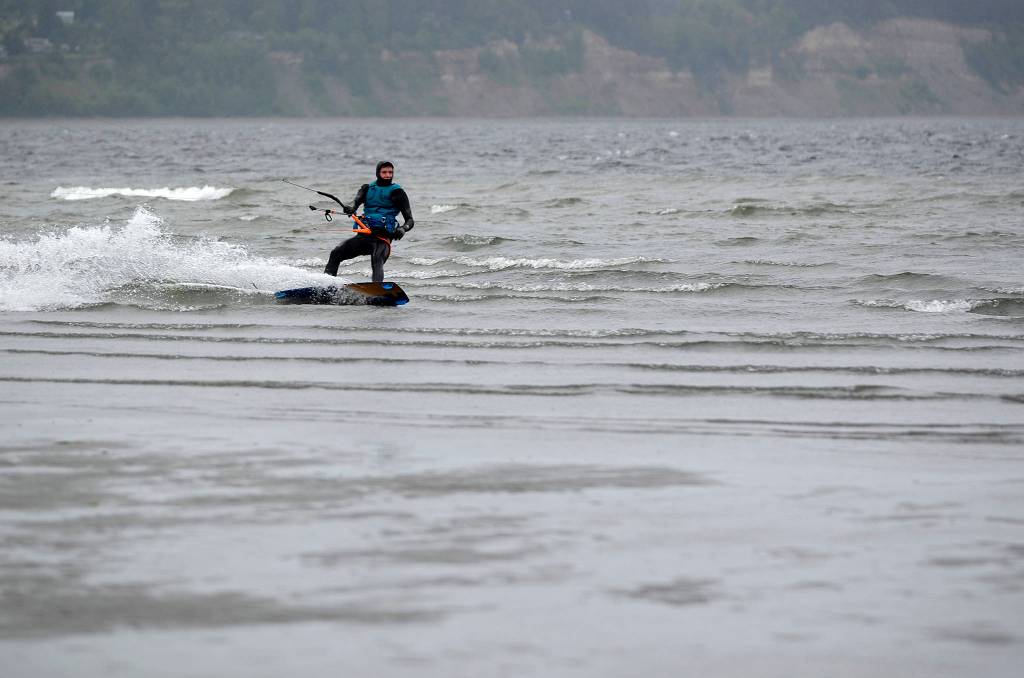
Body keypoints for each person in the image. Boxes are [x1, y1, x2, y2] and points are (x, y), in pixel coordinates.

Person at [324, 161, 414, 283]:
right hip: (364, 236)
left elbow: (410, 220)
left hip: (383, 238)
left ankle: (377, 290)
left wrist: (403, 229)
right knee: (336, 252)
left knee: (377, 259)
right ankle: (326, 286)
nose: (388, 175)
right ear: (378, 173)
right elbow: (354, 204)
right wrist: (350, 208)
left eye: (390, 172)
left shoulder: (397, 192)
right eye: (384, 172)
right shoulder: (367, 189)